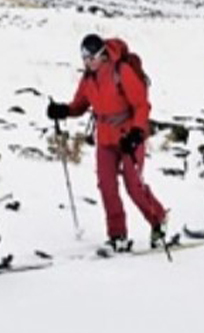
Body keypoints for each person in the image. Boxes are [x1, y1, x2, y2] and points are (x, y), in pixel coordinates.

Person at [47, 34, 168, 252]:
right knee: (107, 187)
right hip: (104, 138)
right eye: (83, 57)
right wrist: (62, 110)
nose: (87, 61)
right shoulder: (88, 79)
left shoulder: (121, 71)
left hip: (128, 137)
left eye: (90, 57)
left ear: (102, 54)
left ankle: (158, 220)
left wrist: (137, 132)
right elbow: (79, 105)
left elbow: (141, 105)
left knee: (134, 186)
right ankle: (117, 235)